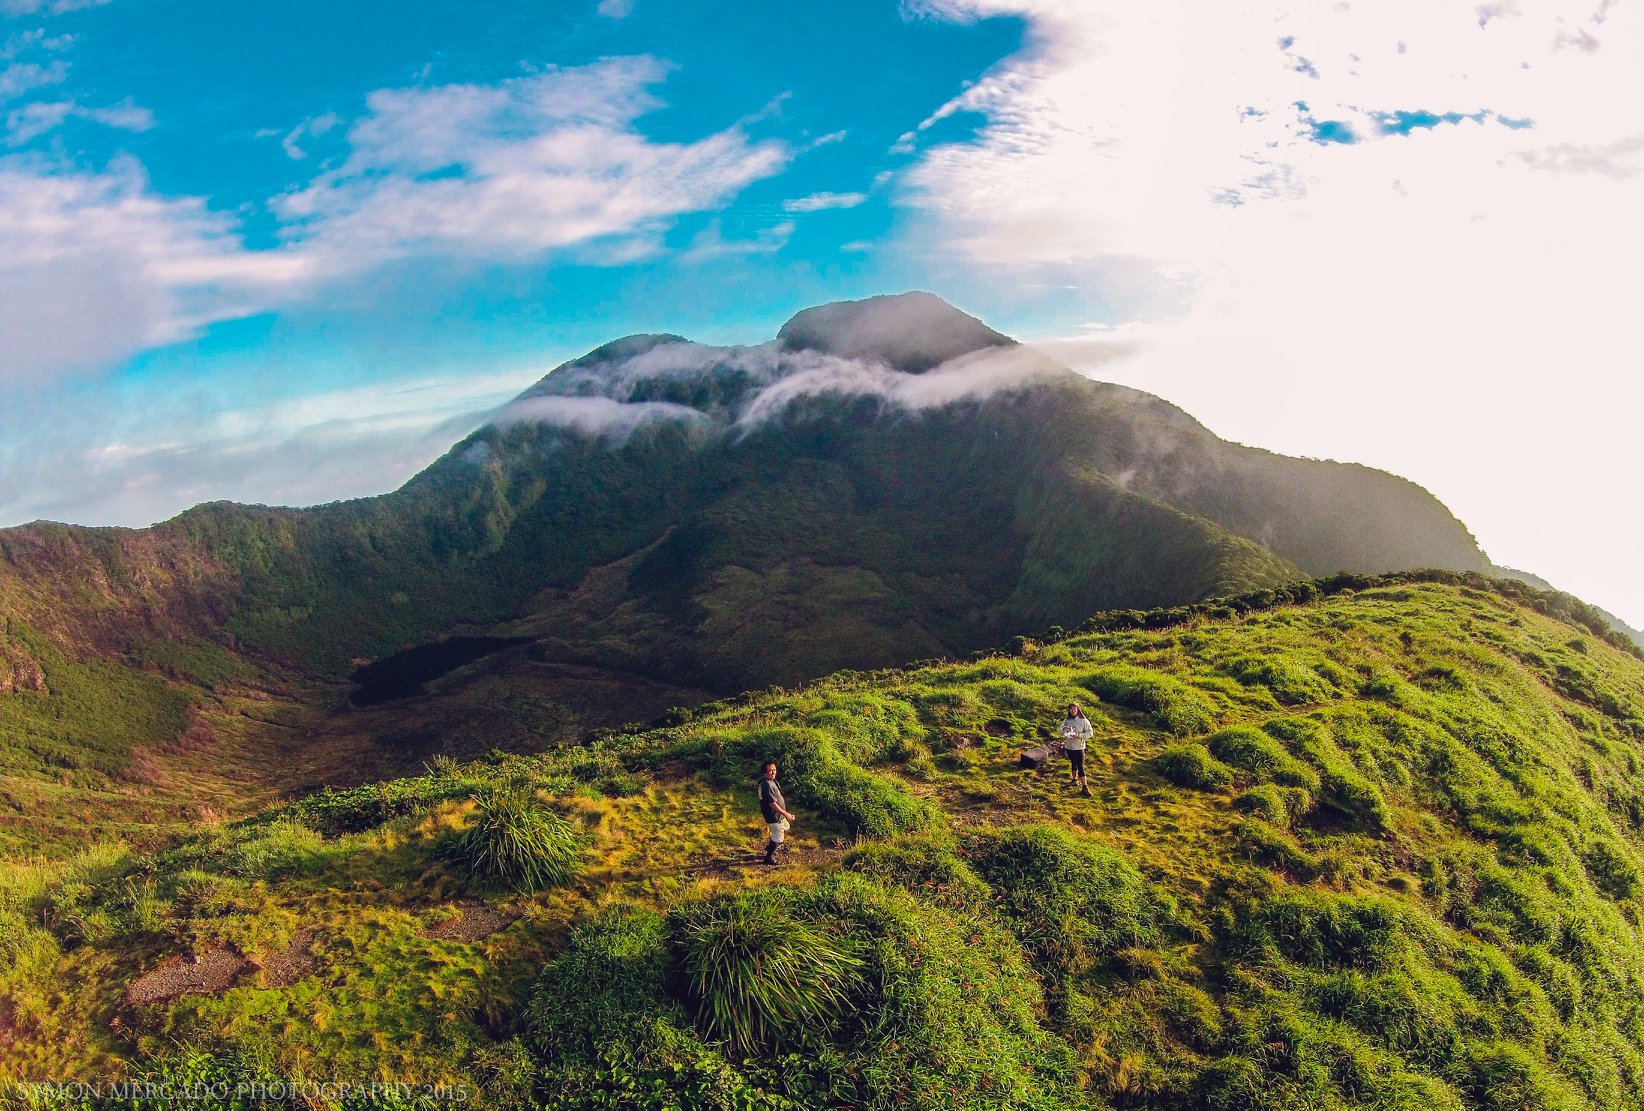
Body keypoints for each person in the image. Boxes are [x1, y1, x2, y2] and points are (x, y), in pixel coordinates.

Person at [756, 760, 795, 865]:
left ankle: (770, 846)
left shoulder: (766, 781)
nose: (773, 773)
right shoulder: (767, 785)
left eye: (774, 770)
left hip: (777, 816)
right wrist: (786, 814)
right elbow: (772, 804)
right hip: (774, 816)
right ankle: (768, 858)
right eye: (770, 771)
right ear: (764, 773)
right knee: (778, 838)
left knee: (785, 827)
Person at [1059, 703, 1094, 794]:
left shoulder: (1084, 721)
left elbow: (1090, 733)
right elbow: (1059, 729)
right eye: (1071, 709)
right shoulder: (1067, 720)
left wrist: (1079, 735)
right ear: (1069, 710)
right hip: (1069, 747)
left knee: (1080, 766)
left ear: (1078, 709)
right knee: (1073, 763)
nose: (1073, 710)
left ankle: (1085, 787)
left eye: (1075, 708)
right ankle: (1074, 780)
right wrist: (1064, 729)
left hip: (1079, 747)